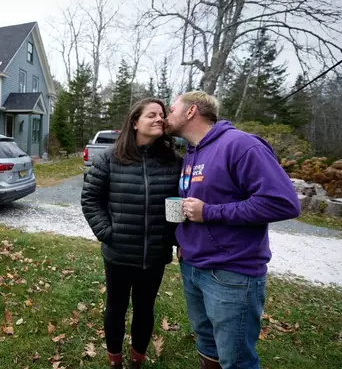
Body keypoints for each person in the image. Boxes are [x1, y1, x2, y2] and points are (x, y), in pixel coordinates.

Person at [164, 91, 301, 369]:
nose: (166, 116)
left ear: (191, 111)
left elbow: (283, 203)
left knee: (236, 359)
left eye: (171, 109)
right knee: (207, 343)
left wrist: (210, 212)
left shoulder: (240, 145)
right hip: (193, 267)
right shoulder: (191, 153)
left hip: (231, 273)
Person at [81, 98, 182, 369]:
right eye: (152, 115)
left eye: (162, 114)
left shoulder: (173, 162)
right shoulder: (111, 159)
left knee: (145, 309)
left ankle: (137, 360)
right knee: (116, 308)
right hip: (119, 253)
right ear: (135, 122)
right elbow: (90, 198)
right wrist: (106, 232)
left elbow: (178, 203)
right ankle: (115, 361)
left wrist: (174, 238)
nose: (159, 118)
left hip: (155, 254)